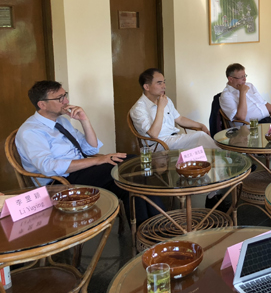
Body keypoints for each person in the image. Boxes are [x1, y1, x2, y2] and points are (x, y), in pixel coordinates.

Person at [16, 80, 162, 223]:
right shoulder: (30, 131)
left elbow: (91, 148)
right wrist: (98, 160)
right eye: (60, 98)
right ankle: (160, 225)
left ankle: (149, 230)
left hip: (83, 170)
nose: (66, 101)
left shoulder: (62, 122)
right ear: (42, 104)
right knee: (131, 165)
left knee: (133, 179)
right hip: (61, 181)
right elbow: (48, 167)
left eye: (65, 95)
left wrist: (84, 120)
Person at [130, 68, 218, 150]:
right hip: (157, 145)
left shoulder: (166, 99)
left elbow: (179, 119)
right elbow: (154, 134)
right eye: (159, 83)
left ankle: (217, 157)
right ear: (147, 87)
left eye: (164, 82)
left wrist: (200, 125)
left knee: (201, 142)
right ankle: (221, 156)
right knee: (200, 137)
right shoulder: (138, 109)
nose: (164, 86)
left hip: (174, 139)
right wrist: (160, 107)